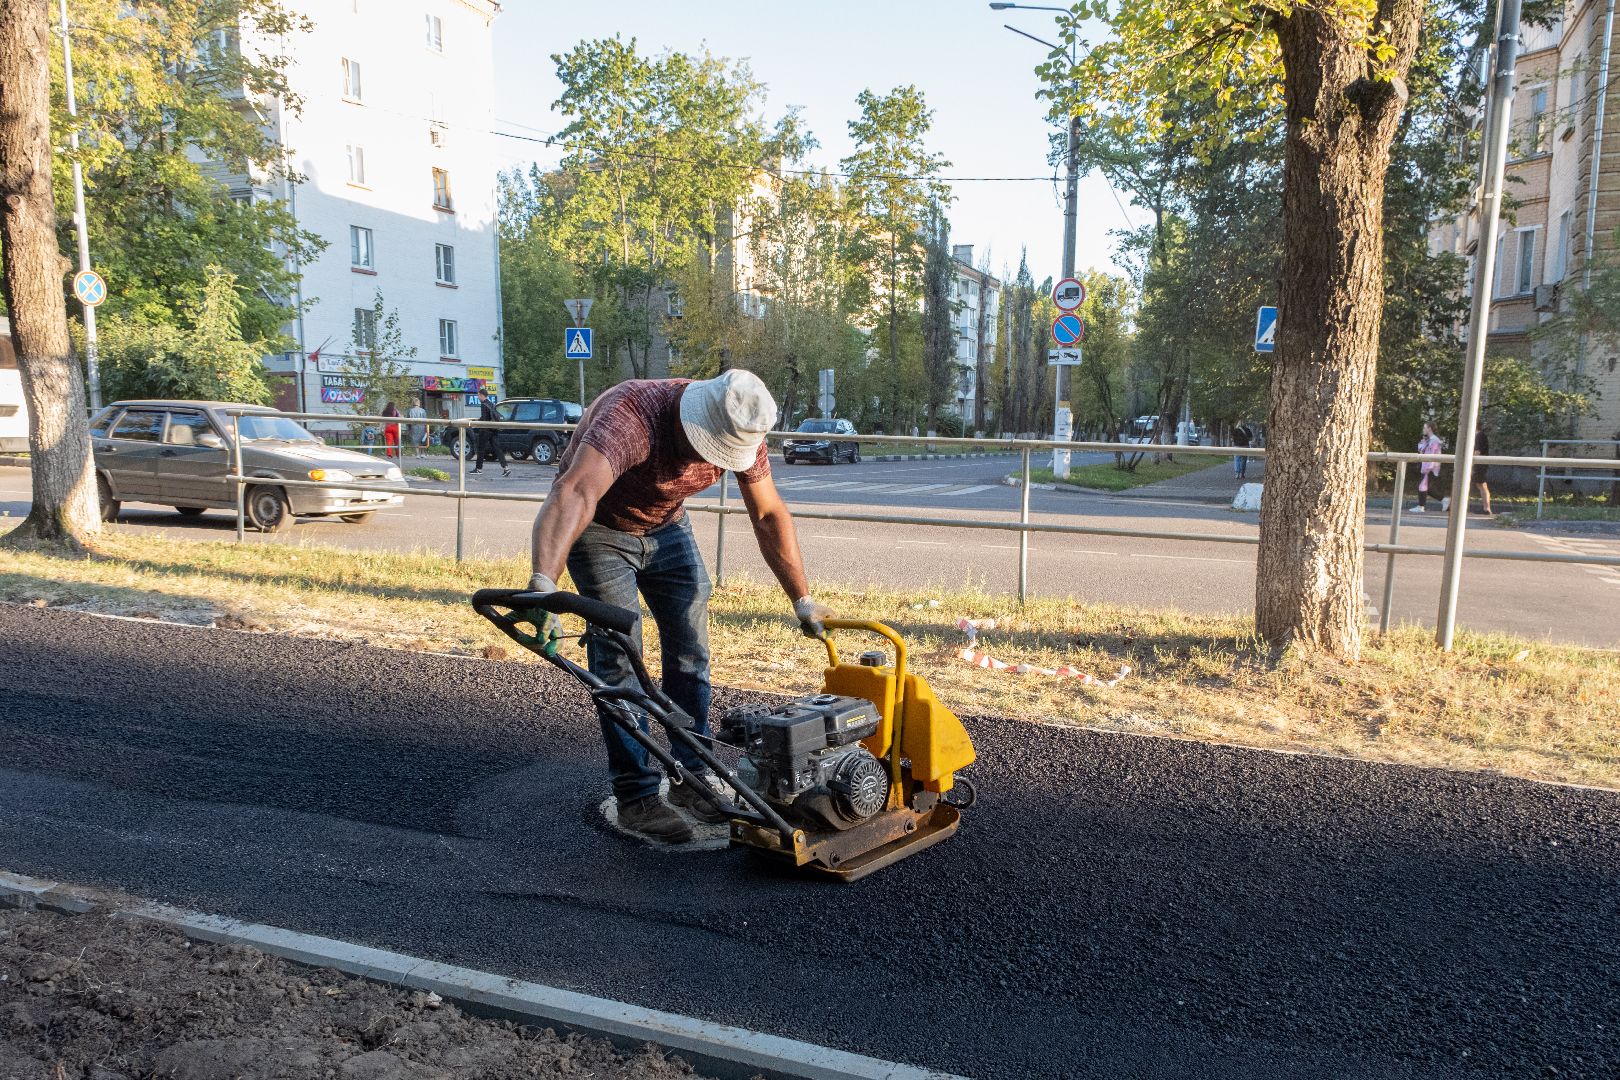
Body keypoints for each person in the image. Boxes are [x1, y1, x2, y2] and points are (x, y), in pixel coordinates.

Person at [525, 370, 831, 844]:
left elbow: (768, 513)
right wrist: (545, 585)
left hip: (667, 529)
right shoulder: (632, 415)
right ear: (695, 421)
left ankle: (691, 778)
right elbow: (575, 492)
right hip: (599, 530)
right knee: (620, 658)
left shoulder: (744, 423)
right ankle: (637, 797)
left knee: (692, 651)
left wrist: (803, 600)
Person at [1412, 421, 1450, 514]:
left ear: (1429, 428)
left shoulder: (1434, 440)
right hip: (1426, 466)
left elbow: (1432, 454)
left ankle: (1421, 506)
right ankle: (1444, 500)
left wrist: (1429, 468)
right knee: (1426, 487)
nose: (1423, 429)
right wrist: (1422, 444)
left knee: (1422, 486)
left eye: (1424, 428)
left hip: (1430, 467)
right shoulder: (1428, 439)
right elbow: (1422, 451)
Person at [472, 385, 510, 477]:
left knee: (480, 449)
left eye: (478, 395)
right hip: (493, 429)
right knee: (497, 449)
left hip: (485, 430)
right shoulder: (491, 403)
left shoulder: (483, 404)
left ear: (481, 395)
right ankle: (506, 468)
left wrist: (476, 422)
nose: (478, 397)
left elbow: (484, 419)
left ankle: (478, 469)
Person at [1472, 426, 1494, 516]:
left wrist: (1471, 465)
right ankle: (1486, 507)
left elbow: (1477, 452)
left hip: (1479, 465)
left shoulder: (1479, 436)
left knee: (1482, 484)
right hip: (1480, 464)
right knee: (1481, 485)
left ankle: (1487, 508)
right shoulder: (1480, 435)